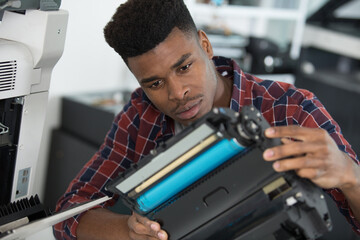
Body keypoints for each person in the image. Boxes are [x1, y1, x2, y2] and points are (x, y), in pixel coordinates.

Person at [53, 0, 360, 239]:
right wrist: (130, 233)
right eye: (155, 84)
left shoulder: (291, 109)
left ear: (206, 45)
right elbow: (68, 214)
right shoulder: (140, 116)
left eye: (184, 67)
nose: (178, 93)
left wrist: (350, 176)